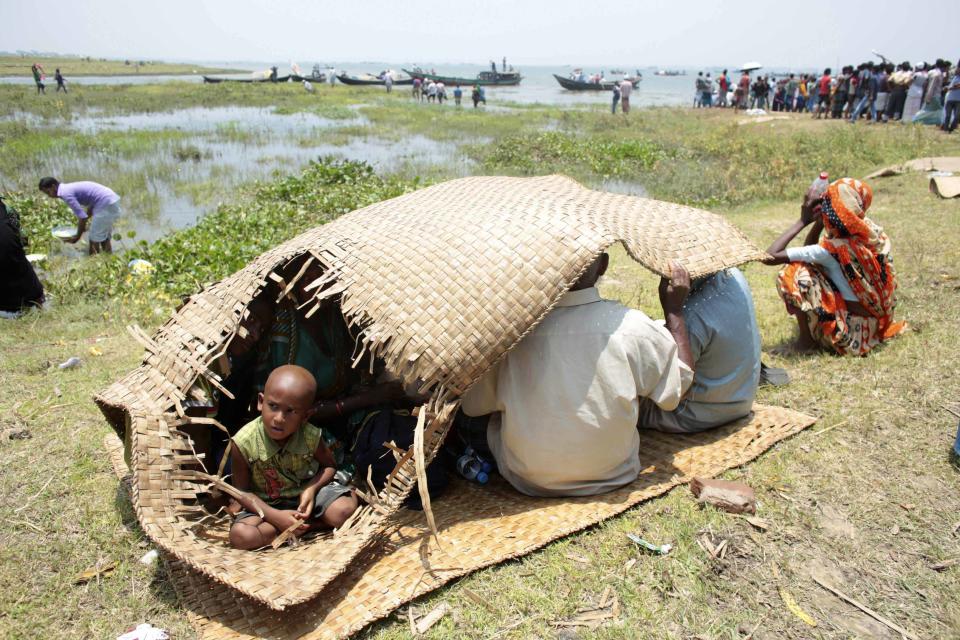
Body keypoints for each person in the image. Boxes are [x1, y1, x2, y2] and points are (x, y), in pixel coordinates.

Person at [459, 255, 694, 497]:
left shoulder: (511, 334)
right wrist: (674, 312)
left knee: (465, 419)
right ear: (603, 265)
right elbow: (678, 388)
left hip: (527, 479)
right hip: (614, 473)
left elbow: (472, 405)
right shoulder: (632, 327)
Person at [763, 178, 906, 356]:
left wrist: (803, 221)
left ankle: (806, 343)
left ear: (830, 211)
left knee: (793, 272)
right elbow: (811, 249)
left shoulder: (831, 250)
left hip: (849, 337)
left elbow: (770, 256)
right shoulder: (872, 234)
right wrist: (823, 220)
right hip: (873, 328)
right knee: (810, 267)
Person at [227, 365, 360, 550]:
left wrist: (311, 490)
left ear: (306, 416)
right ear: (260, 402)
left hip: (305, 503)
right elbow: (241, 492)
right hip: (265, 506)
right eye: (273, 406)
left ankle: (301, 526)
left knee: (344, 511)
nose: (279, 418)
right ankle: (298, 527)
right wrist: (275, 516)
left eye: (291, 411)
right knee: (242, 536)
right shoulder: (243, 442)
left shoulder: (310, 436)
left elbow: (329, 466)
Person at [638, 268, 760, 433]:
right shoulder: (734, 275)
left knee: (624, 400)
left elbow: (675, 390)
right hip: (741, 400)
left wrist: (672, 311)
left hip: (694, 414)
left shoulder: (692, 317)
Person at [38, 177, 122, 254]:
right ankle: (108, 258)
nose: (49, 196)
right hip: (110, 199)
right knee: (103, 235)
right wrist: (82, 227)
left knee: (94, 238)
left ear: (53, 186)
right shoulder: (66, 188)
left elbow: (82, 217)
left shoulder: (66, 194)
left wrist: (77, 237)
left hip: (105, 202)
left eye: (48, 192)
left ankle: (93, 262)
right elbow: (88, 209)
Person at [0, 195, 45, 318]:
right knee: (22, 269)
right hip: (12, 249)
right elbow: (23, 237)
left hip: (5, 303)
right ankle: (39, 308)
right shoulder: (8, 209)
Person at [913, 60, 945, 125]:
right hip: (934, 95)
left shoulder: (931, 72)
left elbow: (927, 84)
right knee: (937, 110)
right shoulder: (937, 74)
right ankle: (915, 119)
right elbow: (932, 86)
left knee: (930, 110)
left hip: (931, 94)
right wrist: (929, 97)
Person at [942, 60, 960, 133]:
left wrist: (949, 88)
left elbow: (958, 86)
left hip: (958, 100)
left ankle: (951, 129)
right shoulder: (954, 77)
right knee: (948, 115)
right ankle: (946, 129)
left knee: (956, 117)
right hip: (950, 98)